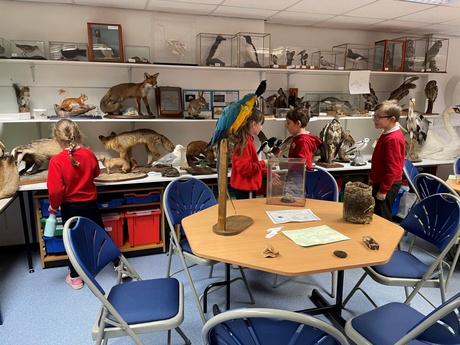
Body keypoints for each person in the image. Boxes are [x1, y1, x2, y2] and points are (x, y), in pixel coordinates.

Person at [46, 119, 109, 289]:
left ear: (57, 139)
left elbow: (56, 191)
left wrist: (53, 206)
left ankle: (75, 277)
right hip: (90, 203)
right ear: (78, 134)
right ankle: (119, 265)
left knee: (73, 241)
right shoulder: (89, 154)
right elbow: (96, 172)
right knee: (101, 234)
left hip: (70, 207)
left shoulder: (56, 161)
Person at [370, 100, 406, 221]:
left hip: (388, 184)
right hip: (381, 181)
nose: (375, 120)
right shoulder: (386, 134)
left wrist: (383, 190)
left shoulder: (393, 139)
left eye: (379, 117)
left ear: (392, 119)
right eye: (374, 116)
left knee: (383, 217)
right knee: (377, 214)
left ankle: (390, 240)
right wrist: (373, 179)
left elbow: (393, 168)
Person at [229, 109, 270, 200]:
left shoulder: (247, 140)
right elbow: (245, 168)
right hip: (246, 189)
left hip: (245, 189)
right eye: (260, 124)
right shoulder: (246, 143)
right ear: (253, 124)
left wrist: (267, 172)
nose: (261, 128)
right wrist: (263, 163)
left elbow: (251, 165)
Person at [284, 107, 322, 197]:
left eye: (288, 123)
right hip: (295, 174)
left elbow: (302, 162)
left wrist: (285, 164)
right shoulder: (298, 139)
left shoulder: (303, 141)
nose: (286, 125)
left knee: (293, 199)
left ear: (298, 123)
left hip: (299, 176)